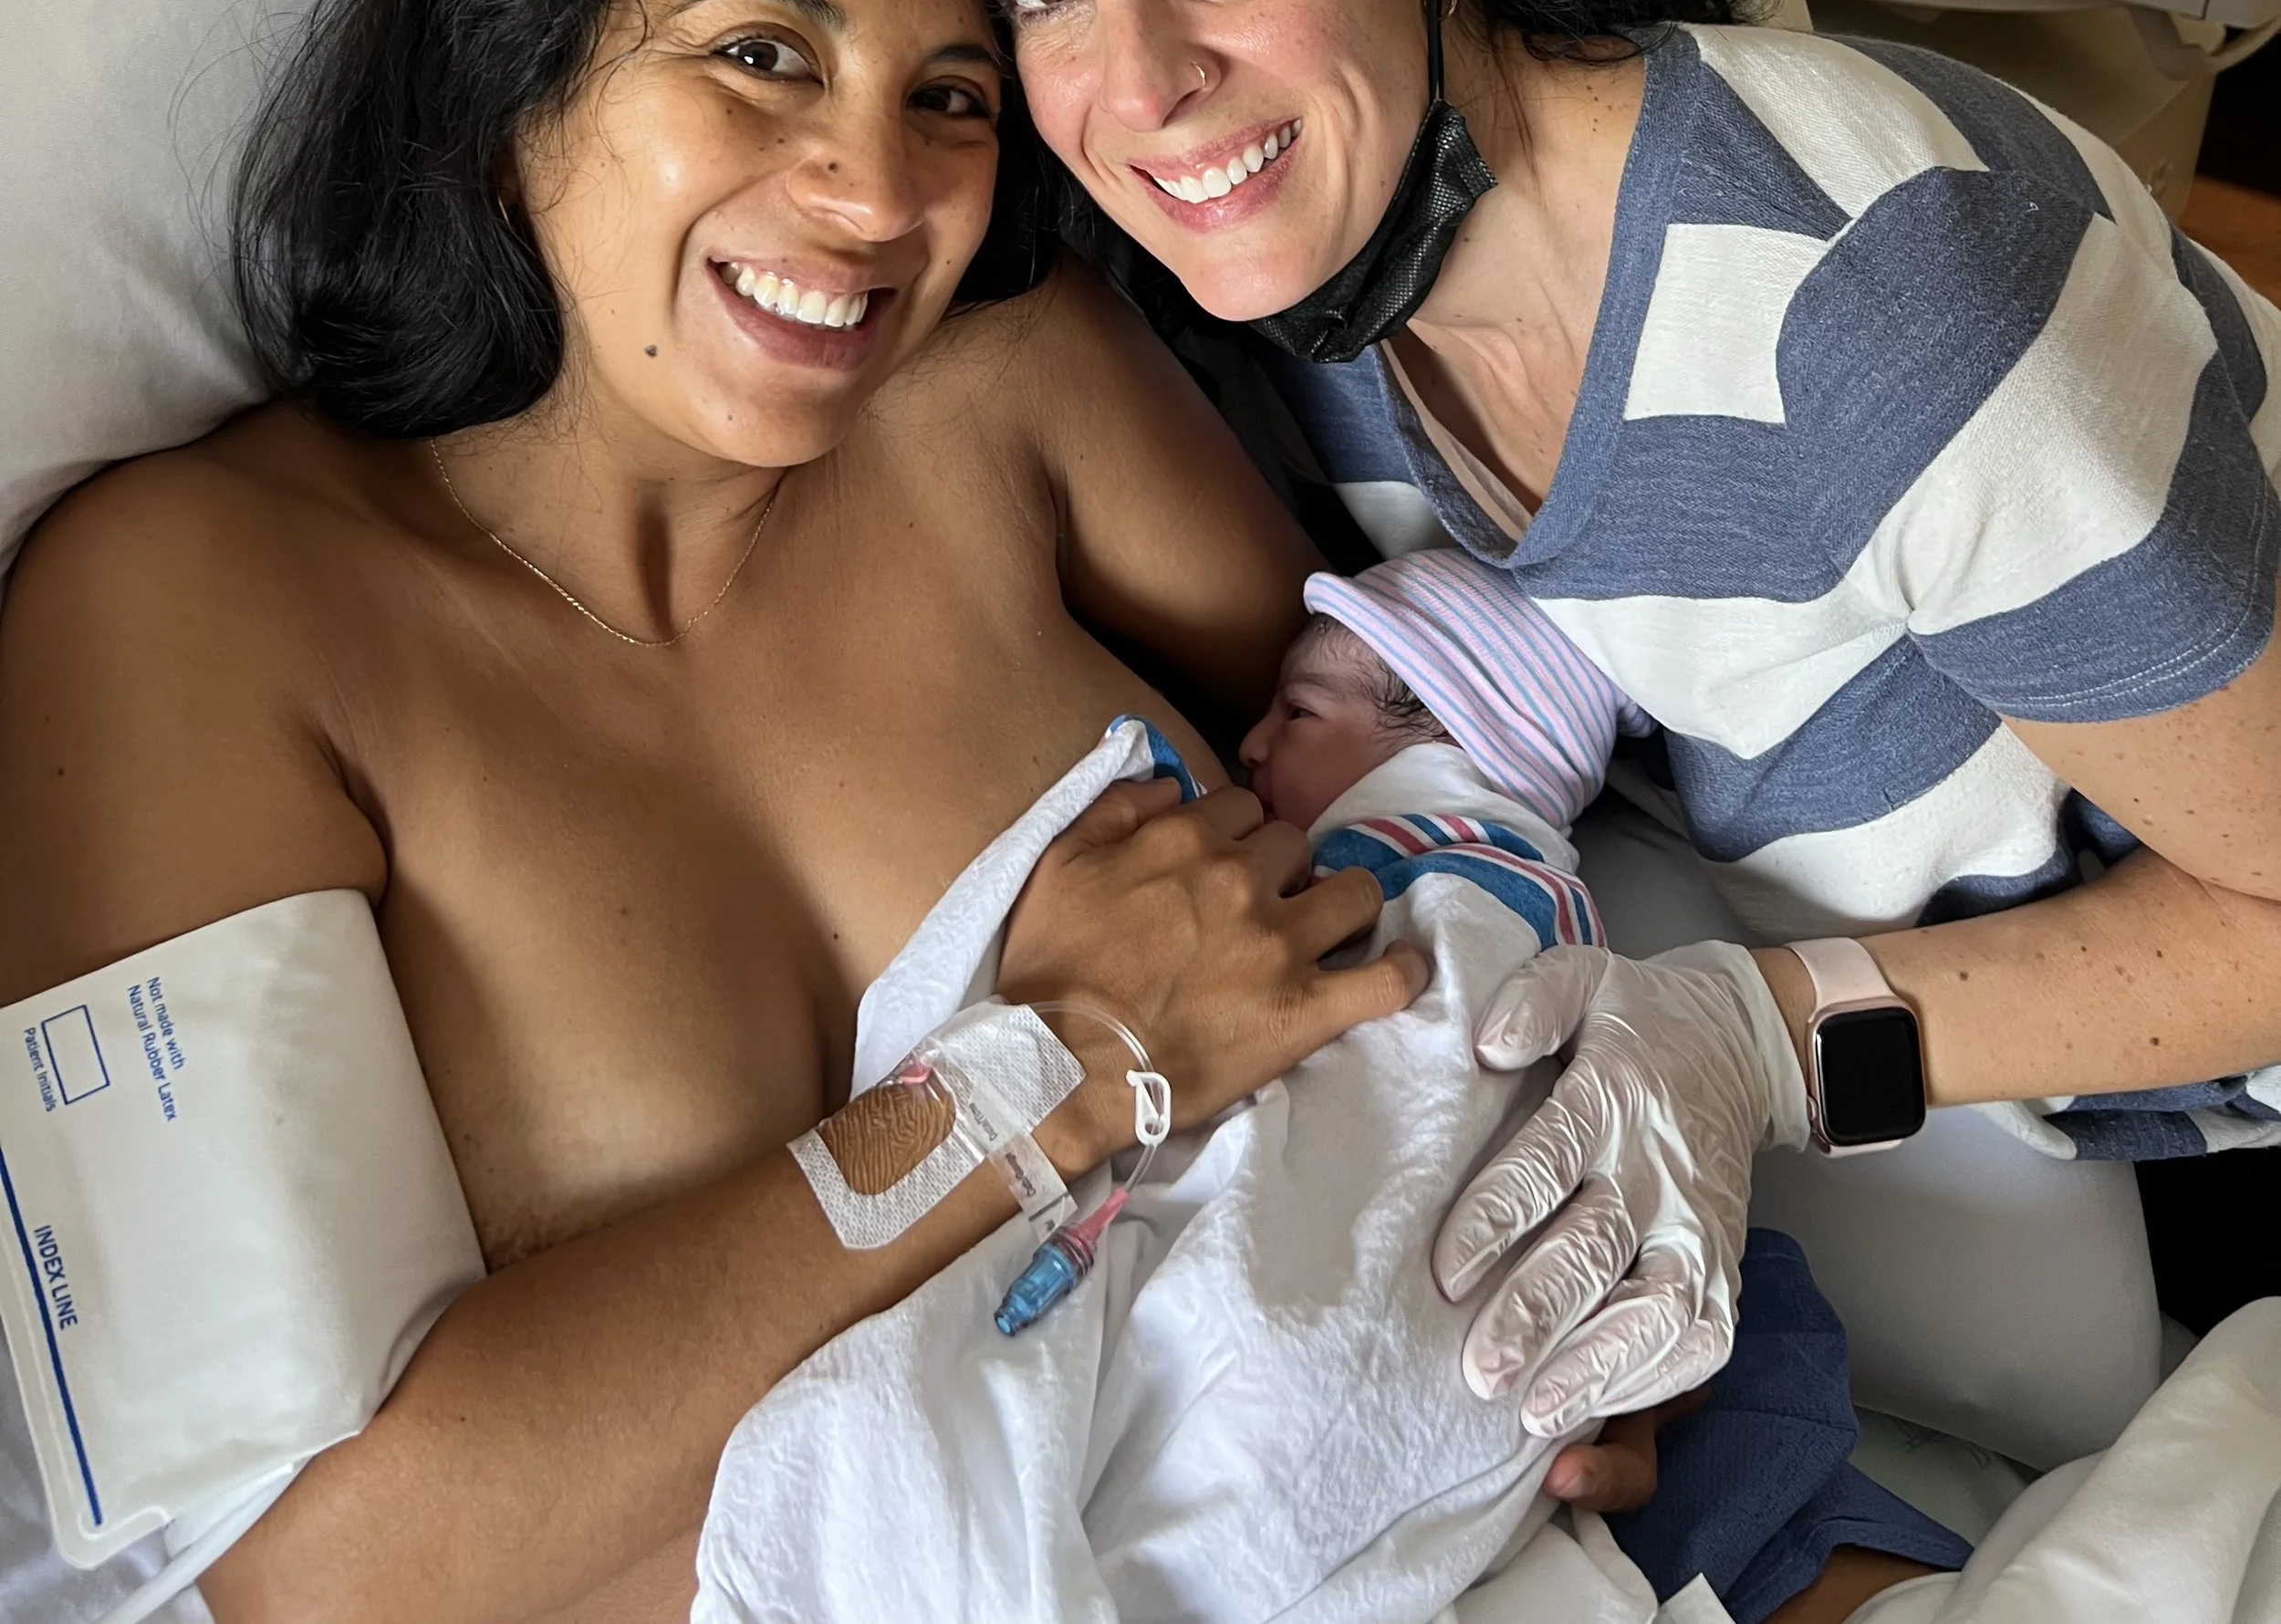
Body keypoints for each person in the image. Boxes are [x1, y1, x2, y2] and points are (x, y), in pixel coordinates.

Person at [887, 0, 2281, 1468]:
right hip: (1992, 1102)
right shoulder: (1285, 297)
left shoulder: (1876, 310)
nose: (1140, 86)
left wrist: (1757, 1041)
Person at [0, 0, 1427, 1624]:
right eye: (764, 54)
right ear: (521, 73)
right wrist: (1060, 1068)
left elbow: (1418, 777)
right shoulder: (193, 608)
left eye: (947, 99)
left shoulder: (1012, 404)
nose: (871, 197)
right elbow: (318, 1568)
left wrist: (1518, 1274)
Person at [696, 553, 1965, 1624]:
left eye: (1299, 714)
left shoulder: (1421, 881)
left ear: (1457, 734)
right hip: (1455, 1425)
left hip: (1355, 1350)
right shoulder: (1550, 914)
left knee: (896, 1443)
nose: (1250, 744)